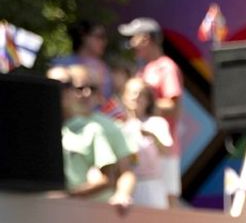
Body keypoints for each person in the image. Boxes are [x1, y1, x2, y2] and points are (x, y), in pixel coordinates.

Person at [50, 65, 136, 208]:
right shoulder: (58, 125)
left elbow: (126, 172)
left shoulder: (109, 127)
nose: (87, 93)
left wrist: (122, 194)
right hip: (61, 209)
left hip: (97, 211)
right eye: (80, 88)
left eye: (93, 88)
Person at [119, 18, 183, 207]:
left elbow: (174, 106)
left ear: (145, 39)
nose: (131, 43)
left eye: (133, 37)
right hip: (143, 150)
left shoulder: (166, 67)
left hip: (164, 149)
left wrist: (144, 105)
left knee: (168, 200)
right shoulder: (144, 69)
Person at [120, 77, 172, 209]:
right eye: (132, 93)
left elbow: (167, 151)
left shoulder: (157, 123)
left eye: (141, 94)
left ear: (148, 100)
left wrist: (153, 137)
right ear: (124, 97)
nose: (136, 97)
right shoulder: (119, 128)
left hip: (152, 186)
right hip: (128, 188)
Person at [52, 20, 113, 101]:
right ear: (84, 36)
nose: (104, 42)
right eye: (100, 37)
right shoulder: (61, 64)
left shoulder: (105, 69)